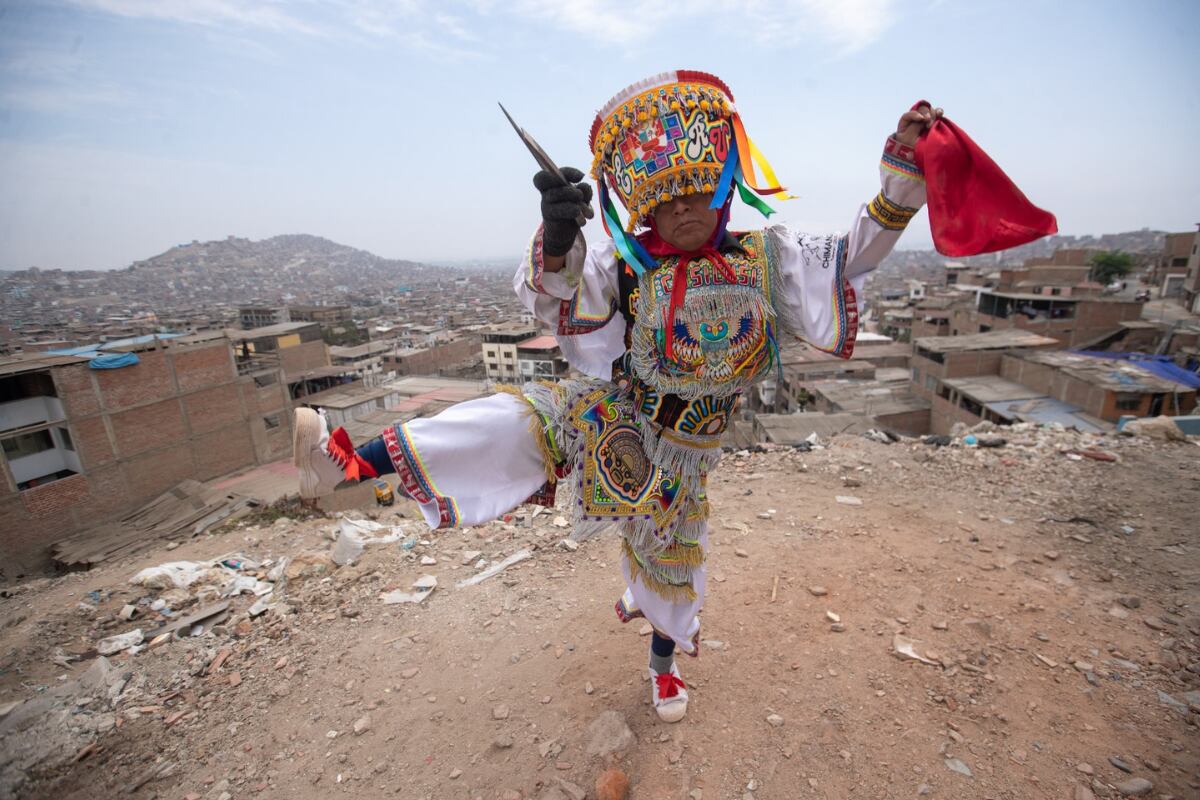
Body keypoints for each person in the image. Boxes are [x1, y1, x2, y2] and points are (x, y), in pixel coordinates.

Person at [293, 70, 939, 723]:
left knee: (672, 565)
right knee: (510, 423)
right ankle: (342, 463)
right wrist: (557, 239)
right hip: (616, 412)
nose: (682, 209)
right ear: (645, 208)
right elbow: (556, 296)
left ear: (721, 190)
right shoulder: (626, 266)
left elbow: (856, 254)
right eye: (666, 199)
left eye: (695, 192)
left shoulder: (770, 259)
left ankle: (663, 668)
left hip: (685, 451)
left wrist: (906, 172)